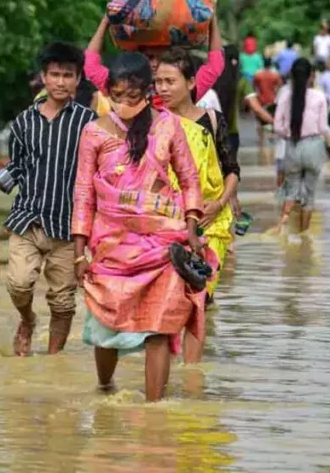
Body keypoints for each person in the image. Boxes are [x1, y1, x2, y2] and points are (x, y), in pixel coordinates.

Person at [72, 52, 206, 402]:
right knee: (106, 326)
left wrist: (192, 228)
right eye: (117, 96)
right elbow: (84, 193)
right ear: (108, 94)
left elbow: (189, 179)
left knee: (159, 328)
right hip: (111, 247)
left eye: (133, 96)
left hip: (163, 245)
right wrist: (78, 252)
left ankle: (154, 411)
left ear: (148, 92)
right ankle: (104, 388)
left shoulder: (168, 126)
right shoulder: (94, 133)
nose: (125, 104)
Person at [0, 43, 98, 356]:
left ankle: (54, 361)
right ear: (43, 77)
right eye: (54, 74)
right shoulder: (23, 122)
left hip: (70, 227)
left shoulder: (90, 124)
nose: (60, 81)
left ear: (78, 79)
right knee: (18, 284)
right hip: (28, 219)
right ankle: (27, 319)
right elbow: (17, 167)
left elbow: (101, 172)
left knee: (63, 301)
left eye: (67, 75)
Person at [154, 48, 239, 359]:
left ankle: (192, 374)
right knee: (168, 301)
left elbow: (232, 171)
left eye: (169, 81)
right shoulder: (153, 125)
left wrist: (220, 203)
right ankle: (167, 367)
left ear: (191, 83)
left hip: (210, 225)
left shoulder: (211, 121)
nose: (162, 88)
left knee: (199, 299)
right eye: (158, 81)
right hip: (167, 224)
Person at [84, 14, 224, 102]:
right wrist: (105, 21)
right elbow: (91, 66)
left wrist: (213, 22)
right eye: (150, 57)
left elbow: (215, 65)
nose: (155, 64)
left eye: (162, 58)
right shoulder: (125, 88)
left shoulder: (184, 91)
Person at [272, 58, 330, 235]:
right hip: (313, 146)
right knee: (309, 195)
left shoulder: (285, 96)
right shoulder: (319, 97)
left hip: (292, 146)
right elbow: (324, 127)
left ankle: (282, 229)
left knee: (290, 191)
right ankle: (303, 237)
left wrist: (289, 133)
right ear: (311, 76)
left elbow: (277, 127)